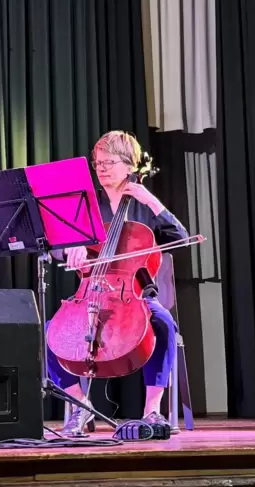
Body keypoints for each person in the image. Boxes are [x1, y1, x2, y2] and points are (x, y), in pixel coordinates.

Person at [47, 130, 189, 436]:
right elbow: (57, 243)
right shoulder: (88, 204)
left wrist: (154, 203)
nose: (101, 169)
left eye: (109, 162)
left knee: (163, 323)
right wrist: (71, 247)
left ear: (130, 165)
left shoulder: (142, 204)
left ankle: (152, 411)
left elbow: (179, 239)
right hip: (90, 294)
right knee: (51, 333)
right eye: (97, 163)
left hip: (135, 297)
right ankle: (81, 408)